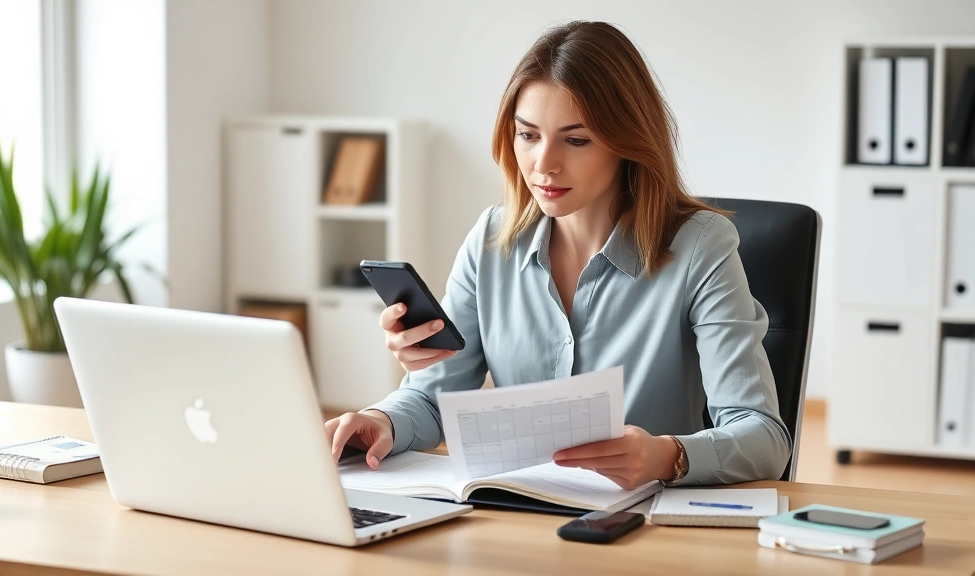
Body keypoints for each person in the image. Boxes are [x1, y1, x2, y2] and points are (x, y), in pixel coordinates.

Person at [325, 20, 790, 488]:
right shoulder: (490, 240)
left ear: (628, 142)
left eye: (576, 139)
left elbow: (764, 437)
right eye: (528, 135)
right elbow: (431, 401)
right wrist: (381, 421)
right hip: (516, 516)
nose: (543, 164)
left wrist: (669, 456)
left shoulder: (701, 246)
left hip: (640, 527)